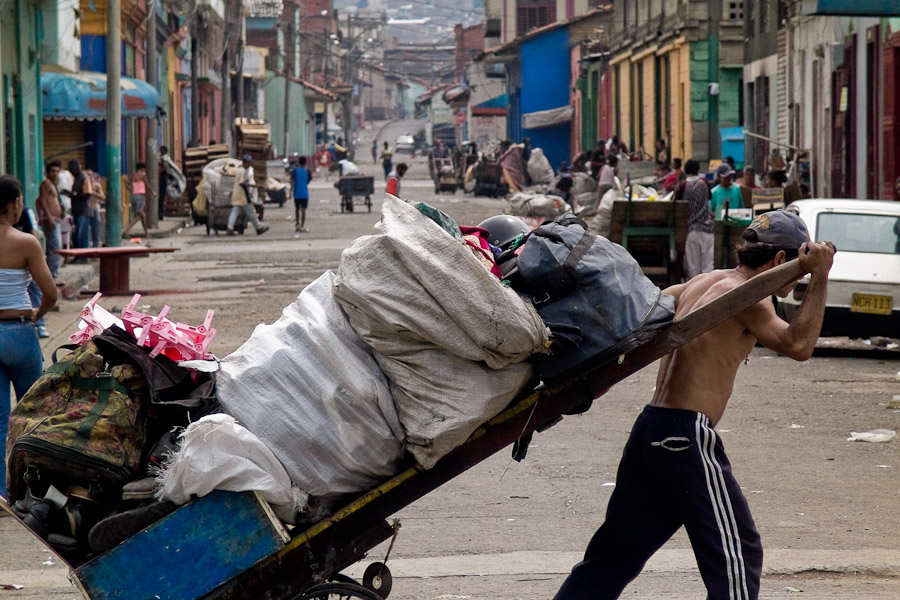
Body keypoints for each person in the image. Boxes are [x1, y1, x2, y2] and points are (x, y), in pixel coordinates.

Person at [553, 210, 835, 600]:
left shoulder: (703, 282)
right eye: (797, 271)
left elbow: (643, 310)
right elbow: (799, 346)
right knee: (737, 553)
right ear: (779, 261)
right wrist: (820, 275)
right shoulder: (749, 299)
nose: (798, 279)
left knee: (612, 558)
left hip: (651, 428)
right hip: (684, 436)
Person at [0, 175, 58, 496]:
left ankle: (2, 492)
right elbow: (50, 293)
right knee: (34, 410)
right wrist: (37, 315)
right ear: (15, 204)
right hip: (19, 330)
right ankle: (39, 486)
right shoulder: (26, 242)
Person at [682, 158, 714, 279]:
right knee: (708, 270)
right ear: (698, 170)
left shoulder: (683, 186)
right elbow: (709, 198)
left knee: (693, 271)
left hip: (692, 230)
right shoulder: (704, 183)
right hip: (708, 229)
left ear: (685, 170)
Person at [227, 154, 269, 236]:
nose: (249, 164)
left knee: (235, 212)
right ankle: (258, 228)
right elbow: (242, 183)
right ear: (244, 162)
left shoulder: (241, 170)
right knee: (251, 212)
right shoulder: (242, 171)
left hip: (239, 195)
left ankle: (230, 228)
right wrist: (253, 186)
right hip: (242, 195)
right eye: (248, 162)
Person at [36, 160, 63, 280]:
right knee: (56, 248)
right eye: (52, 171)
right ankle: (52, 275)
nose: (55, 173)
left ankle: (50, 273)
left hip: (55, 219)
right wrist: (47, 217)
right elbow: (41, 201)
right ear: (47, 172)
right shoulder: (46, 183)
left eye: (57, 171)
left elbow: (38, 200)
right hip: (50, 220)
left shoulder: (53, 184)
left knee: (53, 248)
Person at [68, 159, 93, 250]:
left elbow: (88, 194)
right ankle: (77, 255)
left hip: (83, 211)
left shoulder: (84, 178)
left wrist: (75, 195)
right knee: (76, 235)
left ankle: (83, 256)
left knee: (82, 235)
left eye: (71, 169)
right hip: (76, 211)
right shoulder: (77, 178)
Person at [124, 162, 150, 238]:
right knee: (138, 216)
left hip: (135, 196)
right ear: (142, 169)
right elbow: (147, 185)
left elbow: (127, 186)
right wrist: (153, 192)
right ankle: (126, 230)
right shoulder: (143, 175)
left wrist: (133, 191)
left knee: (143, 216)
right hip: (141, 197)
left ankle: (146, 233)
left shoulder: (133, 176)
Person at [290, 156, 312, 233]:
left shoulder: (295, 171)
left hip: (296, 193)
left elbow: (292, 182)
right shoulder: (308, 171)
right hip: (304, 193)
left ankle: (297, 223)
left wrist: (290, 192)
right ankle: (302, 225)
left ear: (299, 162)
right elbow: (308, 181)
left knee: (297, 209)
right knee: (303, 210)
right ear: (305, 162)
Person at [87, 169, 104, 247]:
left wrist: (92, 192)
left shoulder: (96, 185)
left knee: (95, 229)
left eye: (89, 175)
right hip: (85, 210)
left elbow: (102, 197)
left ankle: (96, 246)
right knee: (85, 230)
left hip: (94, 208)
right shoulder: (82, 184)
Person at [158, 145, 169, 220]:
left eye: (163, 151)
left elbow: (166, 168)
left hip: (162, 182)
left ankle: (160, 214)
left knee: (161, 199)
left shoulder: (166, 160)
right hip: (158, 182)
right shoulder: (160, 159)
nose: (162, 152)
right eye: (161, 151)